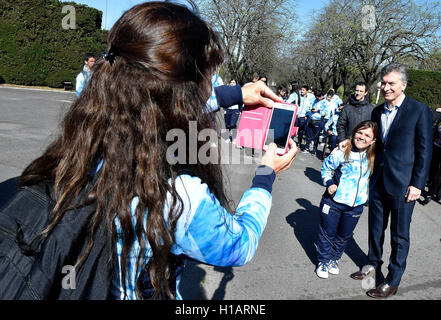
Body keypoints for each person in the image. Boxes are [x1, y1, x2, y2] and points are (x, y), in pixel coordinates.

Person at [17, 2, 298, 300]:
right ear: (184, 93)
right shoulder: (178, 198)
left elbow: (156, 106)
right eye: (206, 79)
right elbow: (239, 246)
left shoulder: (83, 144)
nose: (209, 87)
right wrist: (266, 175)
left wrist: (237, 94)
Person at [350, 63, 432, 299]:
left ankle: (393, 279)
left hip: (405, 186)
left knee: (399, 235)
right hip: (378, 181)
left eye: (391, 83)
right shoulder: (376, 112)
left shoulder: (418, 110)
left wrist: (417, 184)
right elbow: (373, 145)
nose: (385, 87)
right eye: (383, 83)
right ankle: (372, 262)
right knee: (375, 229)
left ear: (403, 85)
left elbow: (425, 151)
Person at [316, 121, 378, 279]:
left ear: (373, 140)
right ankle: (323, 261)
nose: (362, 137)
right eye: (360, 132)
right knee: (327, 234)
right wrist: (329, 183)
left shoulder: (374, 156)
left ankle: (333, 260)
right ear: (354, 132)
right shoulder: (343, 151)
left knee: (344, 236)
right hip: (333, 202)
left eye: (367, 135)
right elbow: (326, 168)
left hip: (355, 206)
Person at [336, 81, 374, 150]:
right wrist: (342, 140)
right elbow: (340, 125)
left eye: (361, 91)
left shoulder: (372, 109)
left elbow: (374, 128)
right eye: (356, 90)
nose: (358, 93)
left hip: (365, 147)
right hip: (348, 144)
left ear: (365, 93)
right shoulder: (347, 108)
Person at [421, 118, 441, 205]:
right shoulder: (439, 120)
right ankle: (431, 189)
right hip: (436, 147)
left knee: (438, 175)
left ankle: (430, 194)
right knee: (432, 170)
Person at [304, 90, 325, 155]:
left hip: (318, 121)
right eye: (316, 97)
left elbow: (325, 113)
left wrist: (318, 111)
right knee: (308, 134)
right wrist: (310, 111)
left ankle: (314, 150)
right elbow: (309, 107)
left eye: (318, 97)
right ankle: (307, 147)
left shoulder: (324, 102)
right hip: (311, 119)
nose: (317, 98)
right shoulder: (314, 100)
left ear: (321, 96)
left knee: (316, 136)